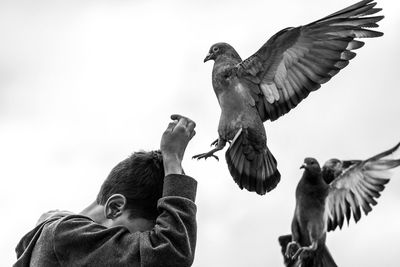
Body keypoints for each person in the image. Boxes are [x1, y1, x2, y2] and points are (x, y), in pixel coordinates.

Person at [14, 114, 198, 267]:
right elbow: (170, 253)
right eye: (134, 239)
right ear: (115, 208)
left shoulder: (62, 246)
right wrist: (172, 160)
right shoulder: (64, 234)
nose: (136, 251)